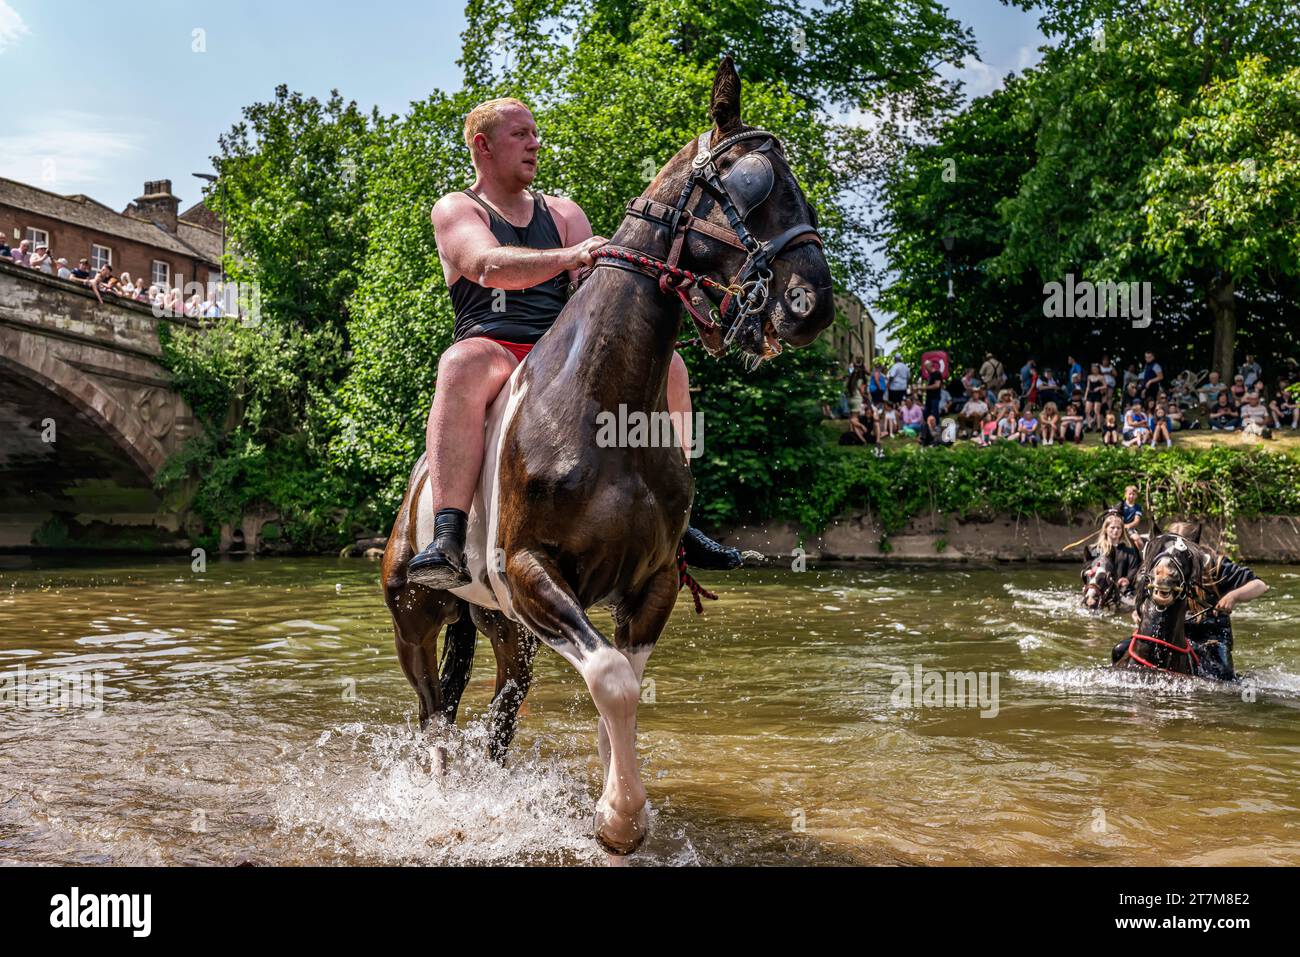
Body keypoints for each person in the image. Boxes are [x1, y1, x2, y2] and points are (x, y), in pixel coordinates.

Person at [405, 97, 738, 584]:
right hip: (495, 345)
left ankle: (680, 519)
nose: (534, 143)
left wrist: (683, 291)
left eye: (534, 133)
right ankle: (447, 535)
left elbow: (598, 292)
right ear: (483, 146)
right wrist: (571, 256)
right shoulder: (457, 208)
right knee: (459, 363)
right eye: (520, 134)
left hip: (563, 350)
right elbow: (485, 265)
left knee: (671, 367)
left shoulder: (562, 212)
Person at [1162, 522, 1270, 680]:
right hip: (1177, 634)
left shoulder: (1216, 565)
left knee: (1223, 675)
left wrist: (1233, 596)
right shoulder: (1163, 566)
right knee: (1121, 650)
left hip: (1212, 637)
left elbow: (1260, 586)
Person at [1087, 510, 1142, 598]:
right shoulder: (1098, 549)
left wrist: (1127, 579)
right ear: (1106, 529)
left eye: (1118, 528)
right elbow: (1090, 562)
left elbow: (1135, 568)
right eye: (1112, 528)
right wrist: (1089, 570)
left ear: (1122, 530)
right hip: (1100, 588)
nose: (1115, 530)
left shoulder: (1129, 550)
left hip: (1123, 589)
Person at [1084, 362, 1106, 431]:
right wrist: (1085, 396)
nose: (1094, 370)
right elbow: (1087, 387)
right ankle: (1089, 426)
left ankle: (1099, 427)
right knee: (1087, 411)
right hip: (1090, 394)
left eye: (1095, 369)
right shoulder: (1089, 377)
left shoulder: (1101, 377)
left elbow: (1105, 386)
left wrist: (1099, 388)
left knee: (1097, 411)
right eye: (1093, 369)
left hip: (1097, 395)